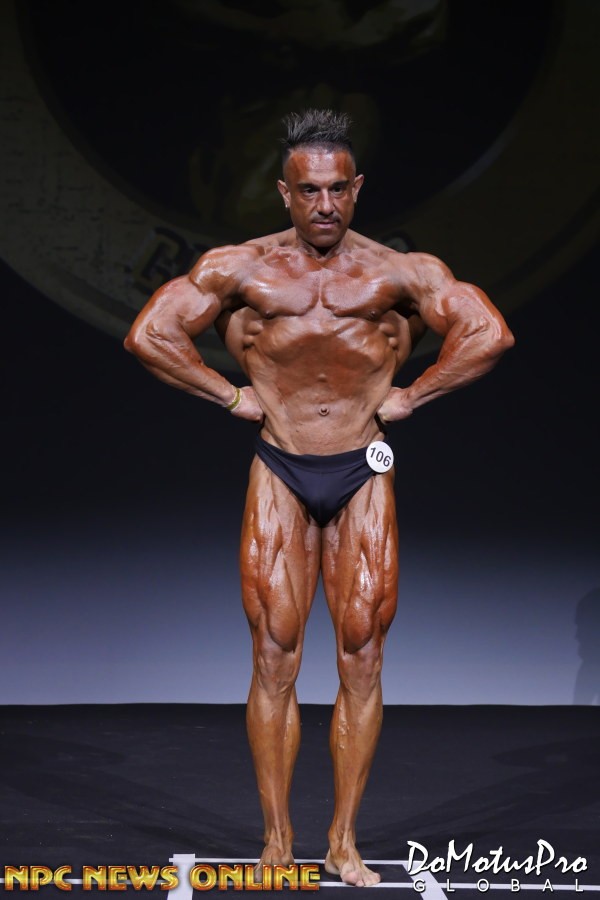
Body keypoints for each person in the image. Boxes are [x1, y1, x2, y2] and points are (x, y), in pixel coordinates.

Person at [124, 109, 514, 887]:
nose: (326, 204)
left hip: (363, 469)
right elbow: (149, 335)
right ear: (285, 192)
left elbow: (489, 333)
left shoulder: (399, 272)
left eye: (338, 189)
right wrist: (226, 394)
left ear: (357, 188)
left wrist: (415, 394)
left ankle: (342, 841)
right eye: (310, 191)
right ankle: (276, 841)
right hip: (282, 465)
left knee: (363, 654)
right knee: (274, 653)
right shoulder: (242, 268)